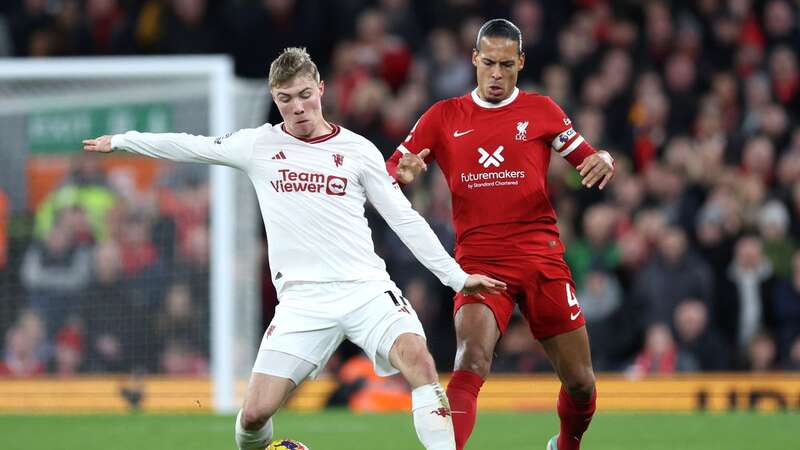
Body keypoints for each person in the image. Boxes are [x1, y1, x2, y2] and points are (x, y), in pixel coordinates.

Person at [83, 47, 506, 450]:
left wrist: (455, 277)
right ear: (274, 98)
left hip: (366, 288)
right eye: (286, 99)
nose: (298, 107)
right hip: (302, 302)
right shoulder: (259, 146)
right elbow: (191, 145)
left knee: (421, 363)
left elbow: (405, 219)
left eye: (305, 95)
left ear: (321, 88)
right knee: (253, 416)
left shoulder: (357, 150)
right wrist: (123, 140)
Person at [385, 19, 615, 450]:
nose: (496, 74)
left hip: (541, 256)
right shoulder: (443, 116)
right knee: (471, 356)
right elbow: (389, 170)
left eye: (506, 65)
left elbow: (589, 154)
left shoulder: (542, 110)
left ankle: (565, 445)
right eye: (488, 63)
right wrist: (402, 171)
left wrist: (604, 157)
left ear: (520, 63)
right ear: (473, 59)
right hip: (478, 260)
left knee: (581, 383)